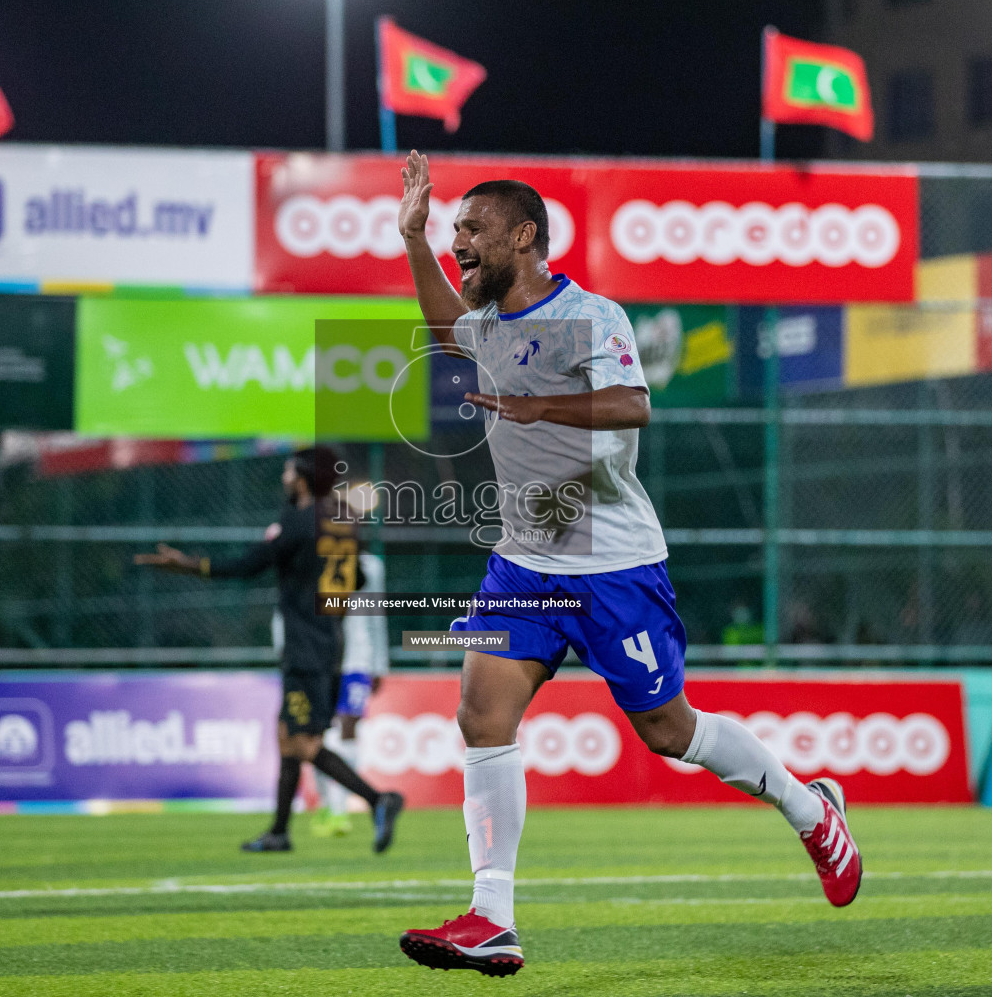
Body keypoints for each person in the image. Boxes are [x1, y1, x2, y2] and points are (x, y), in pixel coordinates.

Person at [393, 152, 862, 977]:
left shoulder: (590, 314)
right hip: (524, 564)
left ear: (524, 235)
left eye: (471, 229)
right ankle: (491, 916)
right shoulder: (491, 324)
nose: (459, 241)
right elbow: (442, 331)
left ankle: (809, 806)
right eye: (455, 230)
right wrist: (415, 240)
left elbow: (633, 404)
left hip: (614, 566)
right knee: (481, 715)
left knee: (668, 731)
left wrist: (539, 404)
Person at [136, 449, 404, 854]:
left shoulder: (297, 522)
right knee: (287, 737)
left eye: (288, 468)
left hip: (304, 646)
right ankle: (279, 832)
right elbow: (361, 576)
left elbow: (248, 565)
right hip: (331, 640)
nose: (284, 475)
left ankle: (376, 799)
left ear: (301, 478)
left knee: (304, 743)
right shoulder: (346, 521)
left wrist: (188, 565)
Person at [310, 551, 389, 838]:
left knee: (347, 730)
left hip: (357, 659)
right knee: (315, 734)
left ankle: (339, 810)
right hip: (321, 659)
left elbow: (375, 613)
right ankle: (328, 804)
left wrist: (379, 663)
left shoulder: (370, 566)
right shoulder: (314, 557)